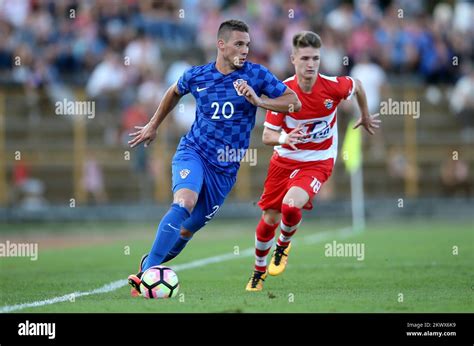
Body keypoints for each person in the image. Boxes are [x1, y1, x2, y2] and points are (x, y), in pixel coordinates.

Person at [127, 19, 301, 296]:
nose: (245, 50)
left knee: (186, 231)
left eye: (247, 45)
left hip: (225, 170)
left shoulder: (257, 76)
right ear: (221, 45)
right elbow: (174, 91)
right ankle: (145, 276)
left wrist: (259, 101)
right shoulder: (198, 76)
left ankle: (148, 264)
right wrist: (153, 125)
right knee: (184, 202)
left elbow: (294, 102)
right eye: (239, 44)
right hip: (194, 152)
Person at [245, 31, 380, 291]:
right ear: (293, 59)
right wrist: (285, 138)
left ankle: (283, 245)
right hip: (284, 160)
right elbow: (267, 135)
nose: (311, 64)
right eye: (305, 58)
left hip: (318, 160)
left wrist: (364, 114)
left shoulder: (333, 86)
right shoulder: (282, 92)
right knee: (268, 219)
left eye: (315, 58)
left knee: (291, 205)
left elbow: (358, 86)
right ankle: (258, 273)